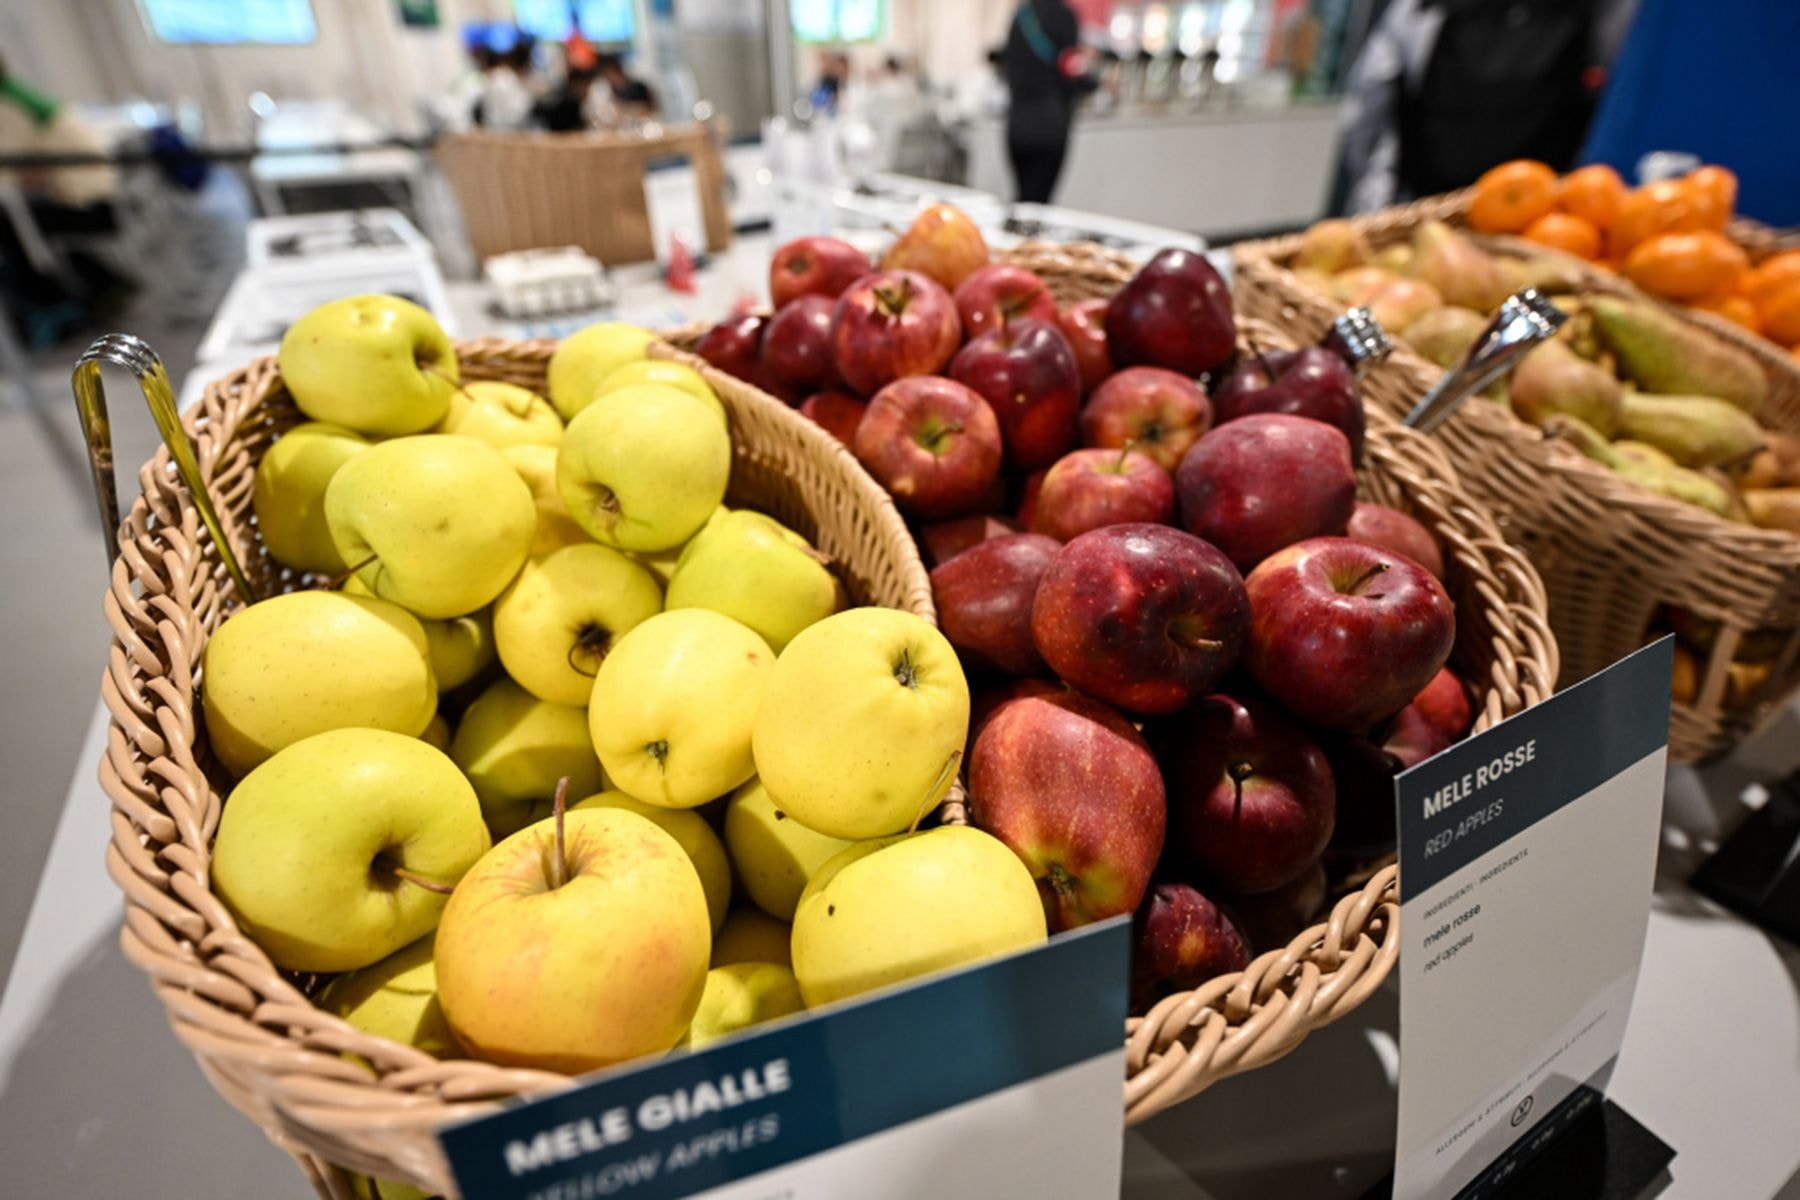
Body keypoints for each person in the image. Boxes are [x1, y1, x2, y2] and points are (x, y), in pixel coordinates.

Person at [1336, 0, 1639, 212]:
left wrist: (1375, 198)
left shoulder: (1425, 9)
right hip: (1540, 222)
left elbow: (1369, 100)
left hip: (1424, 206)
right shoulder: (1609, 12)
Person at [1001, 0, 1097, 204]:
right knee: (1040, 206)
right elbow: (1071, 70)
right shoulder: (1064, 15)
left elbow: (1007, 69)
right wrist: (1094, 82)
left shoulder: (1021, 15)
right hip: (1049, 127)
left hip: (1016, 124)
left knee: (1023, 199)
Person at [596, 53, 658, 119]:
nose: (609, 78)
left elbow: (649, 107)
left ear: (618, 71)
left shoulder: (638, 87)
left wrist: (624, 109)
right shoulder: (611, 91)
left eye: (610, 74)